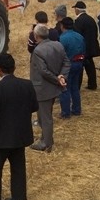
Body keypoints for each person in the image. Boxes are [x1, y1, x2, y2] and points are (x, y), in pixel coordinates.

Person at [0, 54, 39, 200]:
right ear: (14, 68)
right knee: (18, 168)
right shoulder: (27, 85)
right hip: (19, 135)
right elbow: (34, 107)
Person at [29, 24, 70, 152]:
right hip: (53, 88)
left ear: (36, 36)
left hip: (43, 89)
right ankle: (46, 139)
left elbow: (43, 71)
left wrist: (57, 79)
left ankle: (46, 143)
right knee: (46, 115)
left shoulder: (38, 51)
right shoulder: (58, 45)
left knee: (44, 117)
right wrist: (62, 76)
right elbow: (66, 62)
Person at [58, 16, 85, 118]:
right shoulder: (80, 36)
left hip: (68, 65)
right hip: (79, 63)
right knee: (75, 88)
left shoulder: (62, 38)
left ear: (62, 26)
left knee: (64, 88)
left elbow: (60, 54)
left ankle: (65, 112)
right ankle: (76, 109)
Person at [73, 1, 100, 90]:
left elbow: (77, 35)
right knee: (90, 67)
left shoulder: (79, 21)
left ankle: (77, 85)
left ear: (77, 10)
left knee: (80, 67)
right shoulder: (91, 19)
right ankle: (92, 84)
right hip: (91, 46)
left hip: (83, 48)